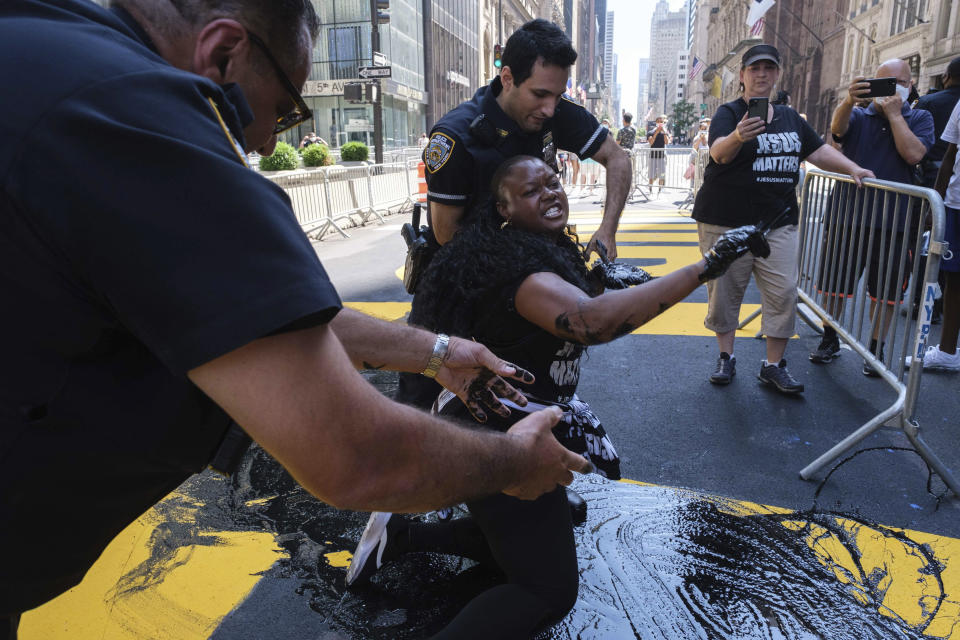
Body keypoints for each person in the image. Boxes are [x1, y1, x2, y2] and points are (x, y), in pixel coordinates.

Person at [0, 1, 592, 633]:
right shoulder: (139, 120)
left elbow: (257, 314)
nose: (273, 138)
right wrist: (514, 462)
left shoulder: (47, 48)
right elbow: (354, 454)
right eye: (285, 108)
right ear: (224, 52)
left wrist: (437, 351)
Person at [345, 155, 770, 639]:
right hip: (497, 427)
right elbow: (593, 322)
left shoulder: (539, 250)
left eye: (552, 182)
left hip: (508, 417)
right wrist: (708, 266)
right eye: (531, 191)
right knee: (545, 590)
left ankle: (404, 537)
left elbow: (577, 292)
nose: (549, 193)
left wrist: (602, 278)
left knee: (533, 536)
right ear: (503, 210)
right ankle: (408, 539)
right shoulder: (521, 274)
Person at [692, 43, 874, 394]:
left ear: (777, 75)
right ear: (743, 75)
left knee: (783, 292)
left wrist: (853, 168)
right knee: (725, 292)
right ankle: (726, 357)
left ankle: (772, 365)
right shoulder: (730, 113)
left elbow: (818, 151)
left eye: (768, 69)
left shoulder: (790, 117)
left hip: (778, 219)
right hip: (726, 220)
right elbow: (717, 154)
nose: (761, 74)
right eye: (754, 69)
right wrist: (737, 136)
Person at [421, 19, 630, 260]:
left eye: (558, 96)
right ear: (507, 78)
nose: (550, 109)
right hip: (469, 271)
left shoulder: (559, 111)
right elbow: (446, 234)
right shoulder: (455, 137)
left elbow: (617, 158)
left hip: (538, 257)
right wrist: (523, 270)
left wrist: (608, 230)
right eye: (539, 94)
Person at [815, 58, 934, 375]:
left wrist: (895, 114)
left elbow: (913, 154)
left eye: (896, 84)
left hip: (895, 222)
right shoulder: (856, 114)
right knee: (834, 285)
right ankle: (830, 338)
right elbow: (836, 133)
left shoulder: (919, 117)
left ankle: (876, 349)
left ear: (909, 86)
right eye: (881, 82)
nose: (888, 91)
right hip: (848, 215)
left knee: (887, 292)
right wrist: (848, 99)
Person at [906, 97, 960, 371]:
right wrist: (935, 205)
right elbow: (950, 154)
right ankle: (948, 352)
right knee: (954, 278)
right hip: (956, 204)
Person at [647, 114, 671, 194]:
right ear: (656, 122)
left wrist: (664, 132)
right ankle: (650, 189)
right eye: (659, 122)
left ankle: (660, 190)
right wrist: (656, 132)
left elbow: (667, 142)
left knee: (662, 175)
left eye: (662, 122)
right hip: (653, 156)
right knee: (651, 174)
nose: (661, 123)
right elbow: (651, 142)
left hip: (661, 156)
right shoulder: (651, 132)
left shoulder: (665, 132)